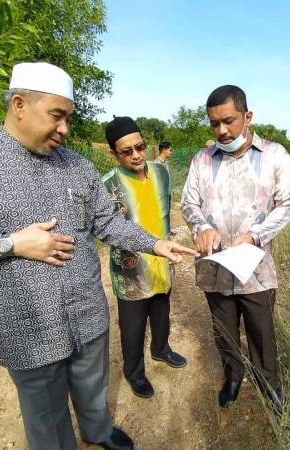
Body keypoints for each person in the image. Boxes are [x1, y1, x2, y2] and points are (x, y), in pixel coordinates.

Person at [0, 62, 197, 450]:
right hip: (27, 326)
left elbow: (107, 223)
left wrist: (154, 243)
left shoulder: (77, 166)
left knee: (93, 386)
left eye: (68, 118)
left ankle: (97, 433)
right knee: (45, 412)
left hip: (87, 312)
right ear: (19, 105)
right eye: (56, 116)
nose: (64, 129)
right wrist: (10, 243)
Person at [181, 85, 290, 414]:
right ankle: (233, 376)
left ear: (248, 116)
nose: (222, 130)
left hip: (255, 270)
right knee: (224, 331)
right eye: (214, 124)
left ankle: (269, 382)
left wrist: (256, 235)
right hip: (214, 268)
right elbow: (189, 202)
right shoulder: (203, 159)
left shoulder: (274, 155)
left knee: (262, 333)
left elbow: (287, 205)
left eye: (229, 121)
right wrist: (201, 226)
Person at [102, 117, 186, 400]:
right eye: (126, 151)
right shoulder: (107, 184)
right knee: (133, 328)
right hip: (131, 271)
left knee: (162, 312)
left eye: (139, 147)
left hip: (162, 262)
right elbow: (106, 229)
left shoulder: (161, 172)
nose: (136, 155)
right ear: (113, 153)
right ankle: (134, 372)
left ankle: (161, 349)